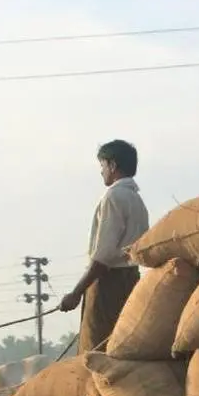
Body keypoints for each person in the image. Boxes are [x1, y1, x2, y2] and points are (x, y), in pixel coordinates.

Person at [58, 139, 150, 353]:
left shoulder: (114, 197)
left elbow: (104, 256)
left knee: (96, 350)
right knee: (121, 347)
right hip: (131, 280)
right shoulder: (137, 200)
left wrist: (76, 292)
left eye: (102, 166)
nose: (101, 172)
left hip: (108, 283)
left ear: (113, 166)